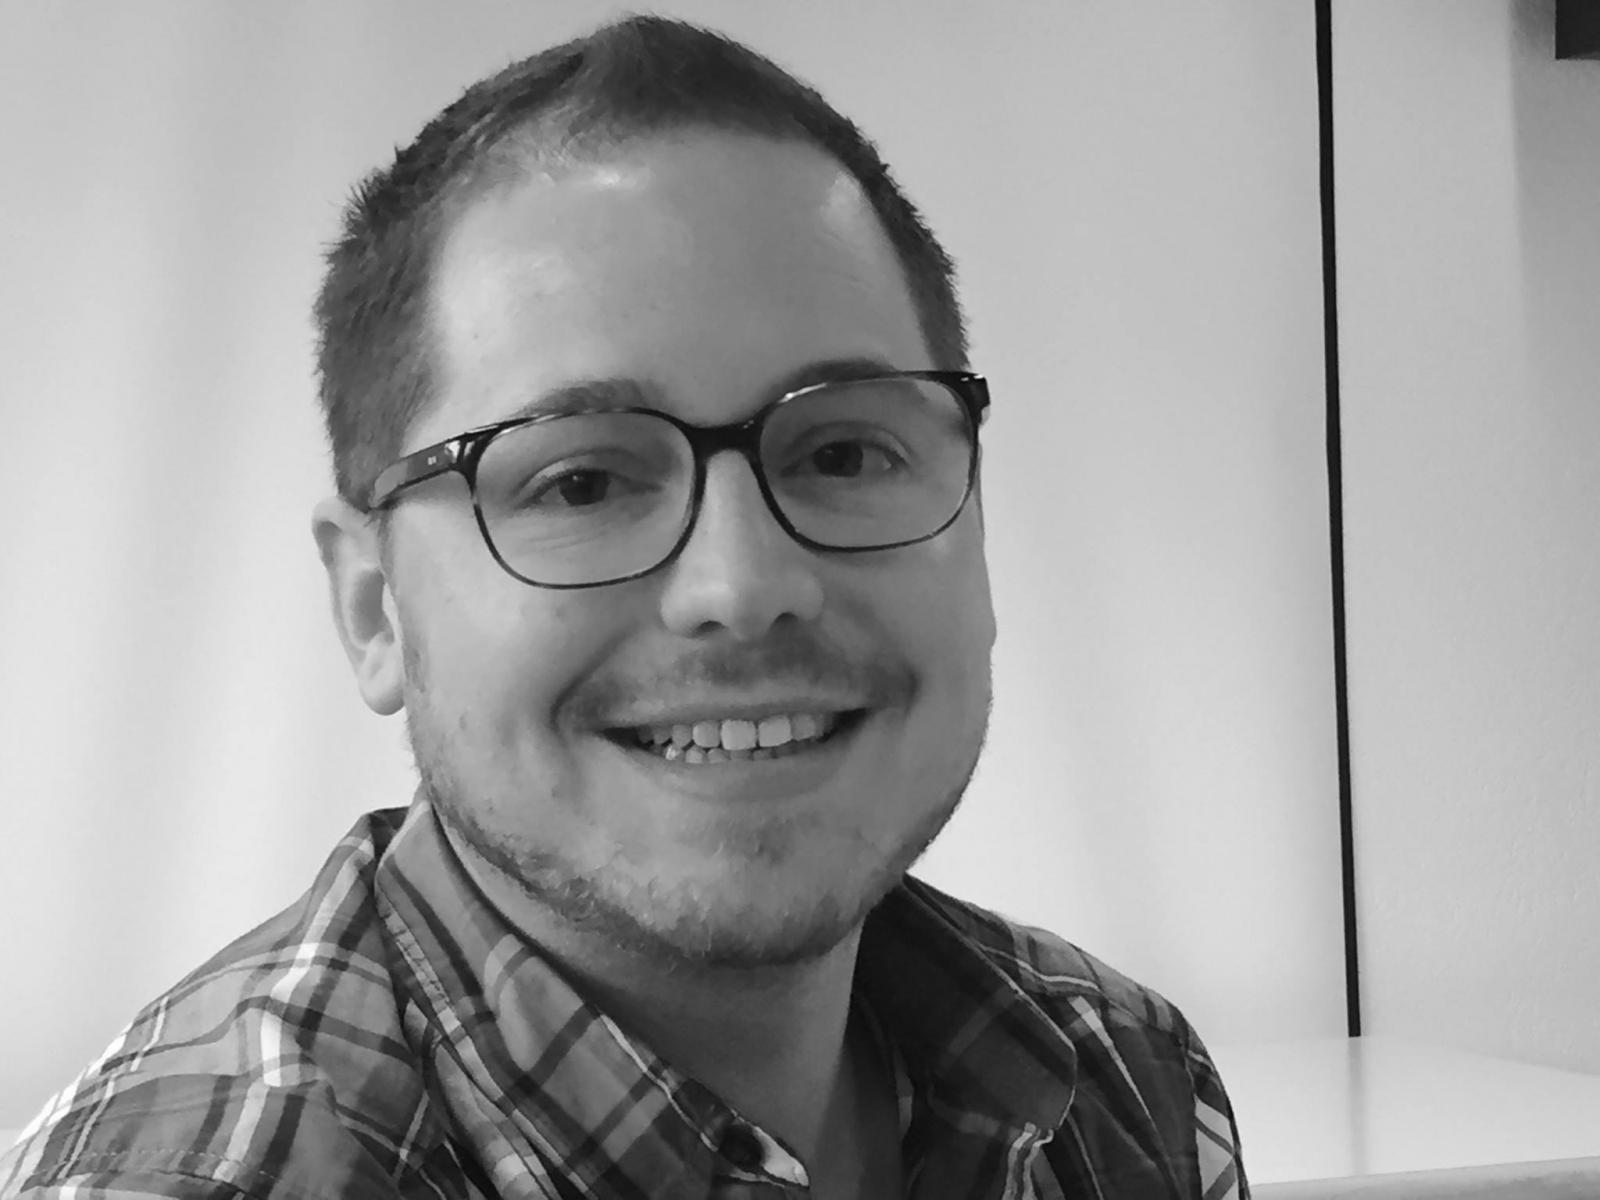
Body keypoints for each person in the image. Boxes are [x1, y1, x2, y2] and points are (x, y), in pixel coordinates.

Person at [1, 16, 1249, 1199]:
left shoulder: (1123, 1077)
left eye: (843, 454)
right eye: (581, 481)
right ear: (375, 609)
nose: (743, 586)